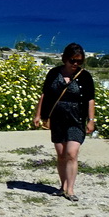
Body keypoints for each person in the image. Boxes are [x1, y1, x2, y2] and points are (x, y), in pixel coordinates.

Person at [32, 43, 96, 201]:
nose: (75, 64)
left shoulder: (85, 76)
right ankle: (62, 186)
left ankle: (71, 189)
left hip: (76, 118)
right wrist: (38, 115)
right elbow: (44, 95)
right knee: (61, 154)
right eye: (72, 60)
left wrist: (91, 120)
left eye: (79, 61)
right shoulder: (54, 73)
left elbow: (90, 99)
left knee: (71, 153)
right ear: (65, 58)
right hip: (57, 118)